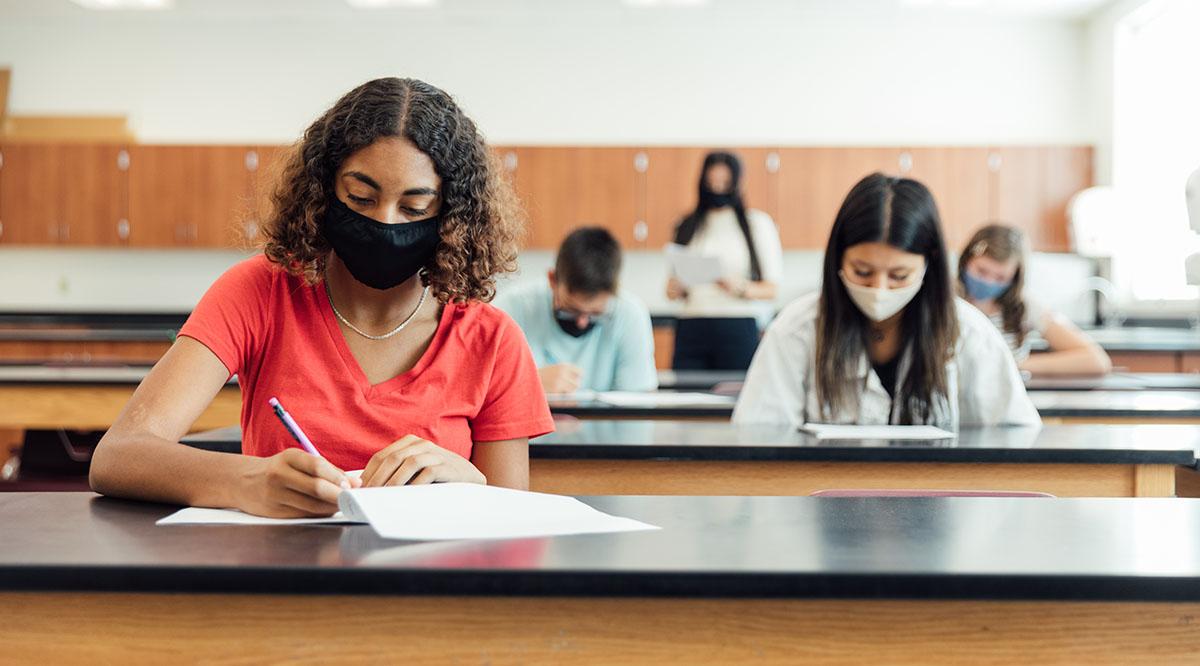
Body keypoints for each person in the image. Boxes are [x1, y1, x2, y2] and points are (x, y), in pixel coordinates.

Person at [90, 77, 554, 518]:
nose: (386, 223)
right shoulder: (259, 292)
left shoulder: (492, 340)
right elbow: (118, 456)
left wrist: (468, 481)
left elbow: (512, 519)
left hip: (428, 591)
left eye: (414, 208)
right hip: (285, 583)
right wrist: (247, 480)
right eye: (360, 198)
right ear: (324, 189)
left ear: (452, 215)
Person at [732, 173, 1040, 429]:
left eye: (899, 275)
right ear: (838, 259)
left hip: (940, 499)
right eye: (863, 272)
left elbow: (1015, 437)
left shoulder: (970, 332)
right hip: (821, 498)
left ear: (928, 265)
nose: (879, 289)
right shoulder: (796, 329)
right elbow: (759, 439)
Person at [495, 227, 657, 394]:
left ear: (613, 293)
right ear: (552, 280)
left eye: (595, 314)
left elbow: (639, 401)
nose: (582, 322)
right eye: (570, 310)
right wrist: (528, 383)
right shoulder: (512, 308)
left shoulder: (630, 315)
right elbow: (481, 389)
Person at [665, 151, 783, 370]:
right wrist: (678, 288)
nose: (718, 188)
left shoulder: (757, 224)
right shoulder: (686, 225)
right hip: (692, 325)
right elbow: (670, 291)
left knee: (735, 396)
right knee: (685, 396)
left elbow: (772, 289)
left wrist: (738, 287)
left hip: (737, 326)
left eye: (724, 182)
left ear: (736, 183)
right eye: (712, 182)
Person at [958, 224, 1111, 376]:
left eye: (1000, 277)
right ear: (966, 261)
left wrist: (1012, 366)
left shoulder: (1025, 306)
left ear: (1014, 277)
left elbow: (1096, 360)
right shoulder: (945, 300)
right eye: (981, 271)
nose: (988, 282)